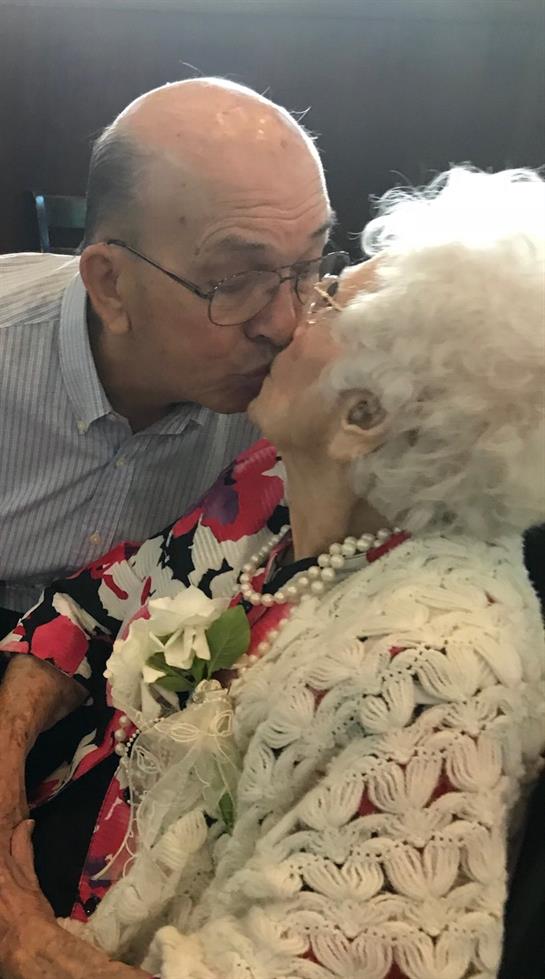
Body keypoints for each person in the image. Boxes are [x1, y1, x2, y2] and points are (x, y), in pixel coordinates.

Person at [1, 166, 544, 979]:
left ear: (364, 415)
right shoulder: (276, 486)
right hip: (52, 823)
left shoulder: (431, 674)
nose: (286, 319)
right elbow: (89, 608)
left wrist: (22, 940)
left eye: (325, 300)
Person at [0, 76, 333, 636]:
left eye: (308, 268)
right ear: (111, 285)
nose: (285, 325)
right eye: (235, 280)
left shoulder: (306, 381)